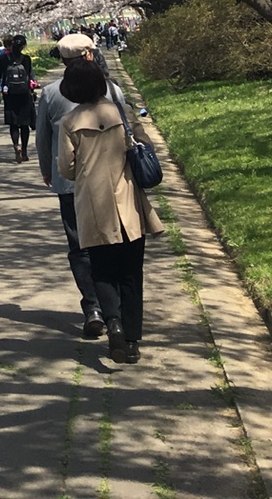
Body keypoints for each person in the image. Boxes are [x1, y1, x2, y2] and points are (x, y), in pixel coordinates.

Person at [57, 56, 164, 364]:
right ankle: (131, 341)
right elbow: (143, 143)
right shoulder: (121, 112)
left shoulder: (69, 122)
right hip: (128, 201)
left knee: (102, 270)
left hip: (94, 205)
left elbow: (66, 168)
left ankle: (113, 323)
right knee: (131, 272)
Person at [36, 33, 115, 338]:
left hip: (69, 183)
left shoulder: (50, 94)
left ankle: (93, 306)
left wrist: (48, 171)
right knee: (111, 244)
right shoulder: (110, 90)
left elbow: (42, 138)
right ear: (89, 56)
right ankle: (114, 309)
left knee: (79, 246)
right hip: (110, 183)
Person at [0, 32, 37, 163]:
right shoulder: (26, 59)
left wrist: (2, 88)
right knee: (24, 124)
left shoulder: (3, 59)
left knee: (13, 123)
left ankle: (16, 146)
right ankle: (24, 151)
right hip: (24, 94)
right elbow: (29, 76)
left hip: (10, 94)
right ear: (23, 46)